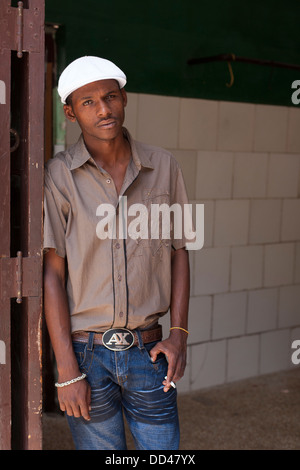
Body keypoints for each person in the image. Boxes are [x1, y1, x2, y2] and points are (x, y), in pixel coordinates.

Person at [43, 56, 191, 450]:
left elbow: (180, 251)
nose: (103, 109)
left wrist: (179, 335)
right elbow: (52, 275)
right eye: (88, 102)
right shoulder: (58, 177)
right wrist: (67, 371)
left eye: (110, 96)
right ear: (70, 113)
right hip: (86, 355)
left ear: (124, 98)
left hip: (150, 351)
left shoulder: (164, 165)